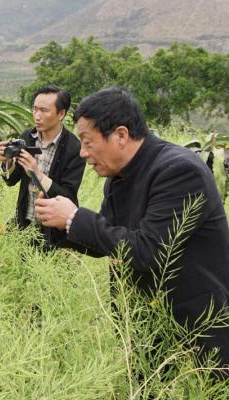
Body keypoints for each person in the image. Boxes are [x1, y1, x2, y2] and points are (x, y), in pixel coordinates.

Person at [35, 86, 229, 368]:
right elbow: (108, 239)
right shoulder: (119, 174)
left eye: (88, 142)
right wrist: (58, 222)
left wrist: (74, 218)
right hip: (146, 328)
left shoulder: (179, 171)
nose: (83, 154)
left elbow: (149, 251)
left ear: (121, 135)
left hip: (196, 329)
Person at [0, 86, 85, 249]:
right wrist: (7, 162)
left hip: (55, 236)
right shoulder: (27, 138)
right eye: (35, 109)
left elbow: (68, 196)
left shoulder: (74, 148)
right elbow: (11, 181)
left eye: (44, 111)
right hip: (24, 225)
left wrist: (37, 174)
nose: (37, 116)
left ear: (61, 114)